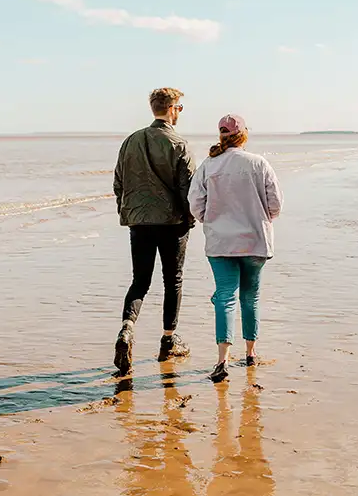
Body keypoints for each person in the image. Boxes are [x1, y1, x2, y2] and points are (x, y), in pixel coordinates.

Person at [188, 115, 283, 383]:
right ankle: (251, 353)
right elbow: (276, 204)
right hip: (254, 241)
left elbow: (195, 203)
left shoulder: (208, 165)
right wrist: (260, 218)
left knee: (225, 296)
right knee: (250, 297)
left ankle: (222, 360)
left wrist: (212, 220)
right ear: (244, 135)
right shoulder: (259, 163)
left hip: (221, 242)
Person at [112, 87, 197, 375]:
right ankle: (168, 340)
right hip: (172, 223)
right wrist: (190, 218)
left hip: (139, 222)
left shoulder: (131, 141)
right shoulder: (179, 143)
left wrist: (128, 212)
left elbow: (119, 183)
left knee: (140, 281)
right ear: (172, 109)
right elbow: (188, 189)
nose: (179, 112)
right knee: (173, 281)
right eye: (179, 108)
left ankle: (127, 329)